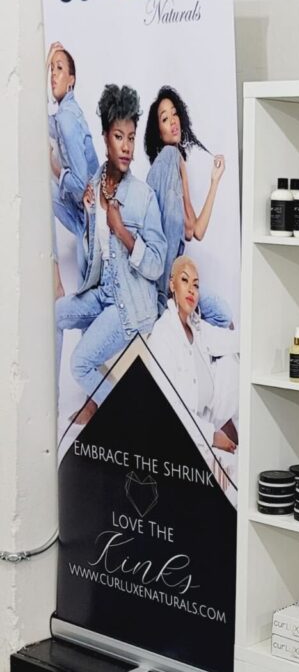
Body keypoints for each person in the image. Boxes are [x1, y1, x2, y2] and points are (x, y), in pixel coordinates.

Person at [55, 85, 167, 426]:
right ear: (106, 137)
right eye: (119, 136)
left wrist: (122, 231)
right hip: (103, 293)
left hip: (131, 306)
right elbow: (94, 261)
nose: (127, 147)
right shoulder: (95, 182)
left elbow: (157, 264)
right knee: (55, 314)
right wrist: (91, 215)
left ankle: (125, 414)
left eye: (132, 138)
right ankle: (50, 399)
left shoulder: (143, 197)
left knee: (80, 363)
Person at [144, 86, 230, 325]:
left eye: (174, 114)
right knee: (221, 317)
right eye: (164, 118)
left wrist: (214, 181)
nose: (172, 121)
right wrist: (167, 293)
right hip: (166, 284)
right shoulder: (168, 158)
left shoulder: (178, 161)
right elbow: (171, 227)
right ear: (158, 132)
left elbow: (194, 231)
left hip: (176, 282)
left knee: (222, 316)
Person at [147, 256, 238, 453]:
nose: (191, 290)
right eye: (185, 280)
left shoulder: (196, 326)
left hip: (207, 419)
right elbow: (168, 408)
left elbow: (232, 341)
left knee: (236, 359)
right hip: (179, 437)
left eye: (196, 285)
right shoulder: (162, 334)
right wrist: (211, 436)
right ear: (172, 285)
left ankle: (245, 435)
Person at [46, 42, 100, 294]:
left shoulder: (67, 118)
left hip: (93, 219)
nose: (53, 75)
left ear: (71, 81)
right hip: (86, 219)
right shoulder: (63, 115)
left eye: (59, 68)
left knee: (84, 303)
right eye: (50, 70)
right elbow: (37, 120)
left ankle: (57, 285)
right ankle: (55, 280)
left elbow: (81, 187)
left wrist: (56, 169)